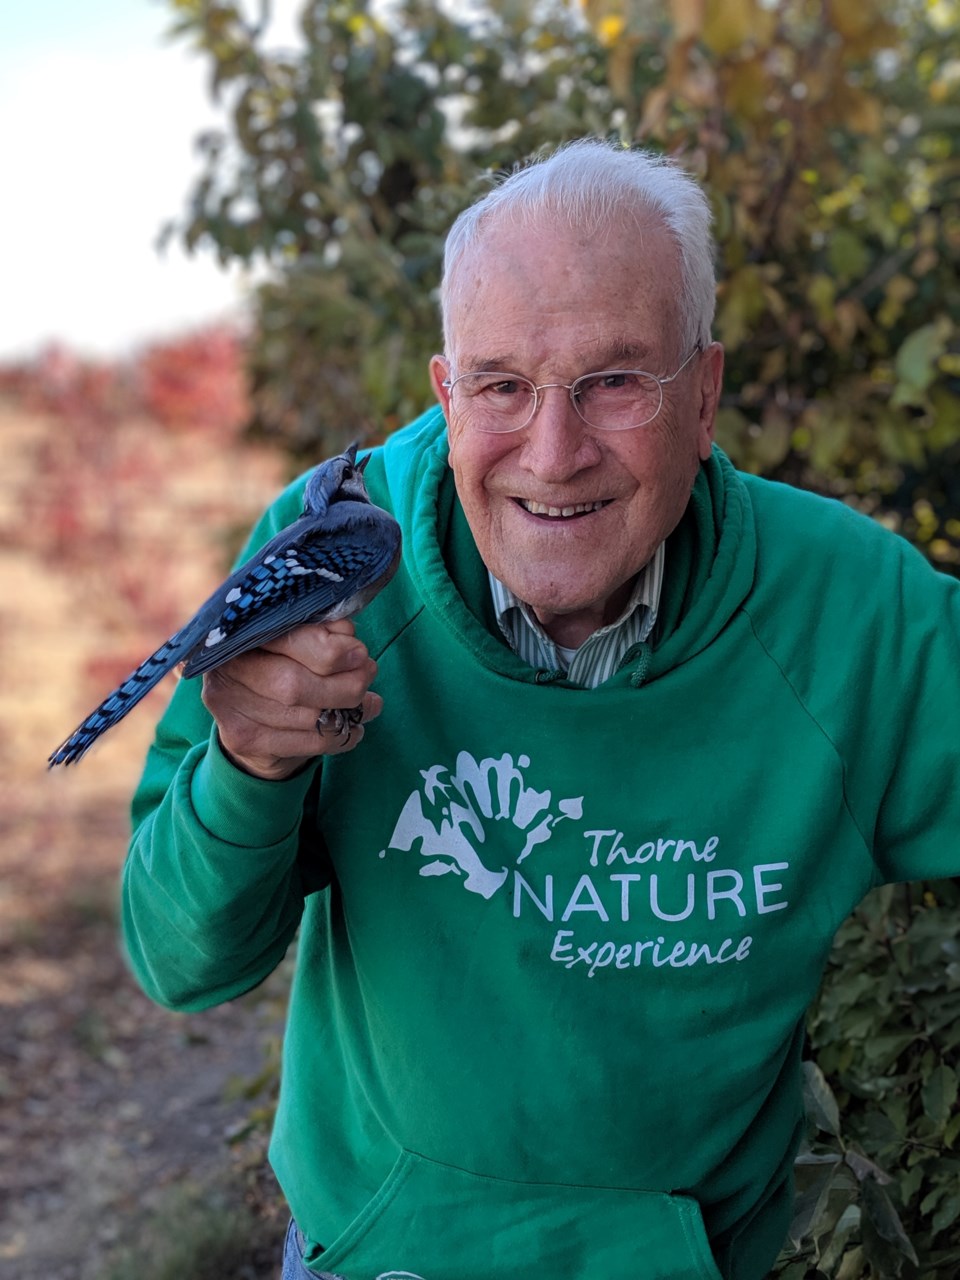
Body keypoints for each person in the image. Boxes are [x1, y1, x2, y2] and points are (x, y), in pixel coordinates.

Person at [121, 139, 960, 1280]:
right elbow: (179, 957)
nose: (554, 453)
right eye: (503, 384)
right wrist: (245, 763)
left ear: (704, 394)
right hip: (385, 1260)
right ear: (446, 390)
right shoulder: (337, 556)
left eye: (616, 381)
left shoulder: (855, 616)